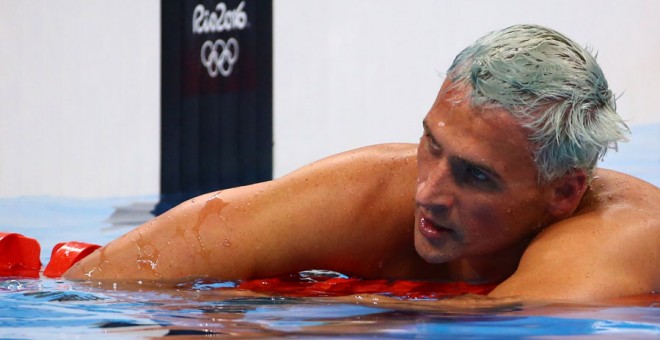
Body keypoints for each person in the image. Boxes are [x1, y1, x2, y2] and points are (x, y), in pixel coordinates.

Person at [64, 24, 659, 302]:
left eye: (474, 175)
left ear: (562, 193)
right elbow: (107, 280)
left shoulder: (615, 242)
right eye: (432, 145)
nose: (428, 191)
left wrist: (318, 307)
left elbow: (507, 324)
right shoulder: (372, 193)